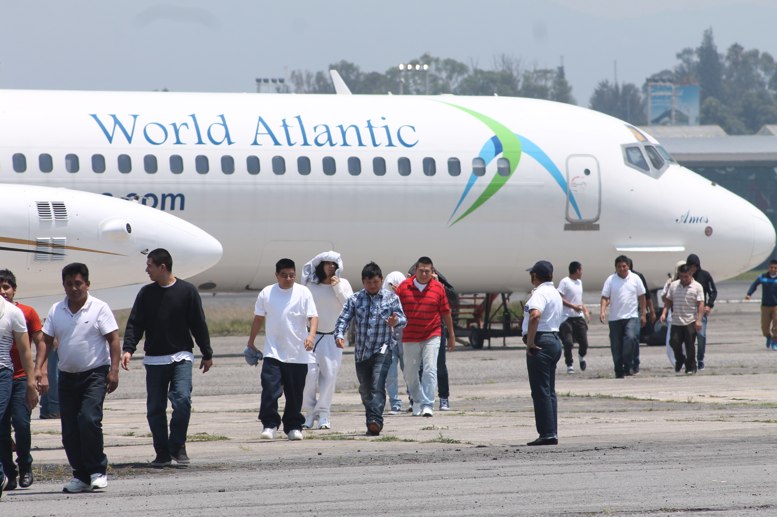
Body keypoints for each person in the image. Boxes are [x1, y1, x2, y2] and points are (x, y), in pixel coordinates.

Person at [121, 249, 213, 468]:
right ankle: (162, 453)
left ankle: (177, 446)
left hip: (181, 356)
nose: (146, 270)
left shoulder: (187, 291)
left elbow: (198, 324)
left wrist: (207, 353)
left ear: (163, 267)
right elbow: (135, 323)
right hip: (154, 360)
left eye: (149, 265)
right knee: (155, 408)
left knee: (182, 400)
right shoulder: (146, 293)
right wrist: (128, 349)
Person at [40, 263, 120, 493]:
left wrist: (114, 370)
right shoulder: (56, 310)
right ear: (63, 285)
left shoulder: (99, 308)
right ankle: (81, 476)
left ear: (87, 284)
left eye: (78, 283)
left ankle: (97, 471)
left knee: (88, 419)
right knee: (70, 429)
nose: (74, 288)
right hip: (67, 376)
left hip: (95, 373)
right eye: (69, 284)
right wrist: (41, 369)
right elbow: (45, 341)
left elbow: (113, 339)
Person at [247, 258, 318, 441]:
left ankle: (294, 426)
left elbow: (313, 317)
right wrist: (251, 342)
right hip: (273, 352)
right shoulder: (267, 293)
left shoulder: (303, 292)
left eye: (292, 275)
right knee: (270, 389)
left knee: (294, 394)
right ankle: (270, 425)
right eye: (284, 275)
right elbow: (258, 318)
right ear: (276, 275)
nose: (288, 278)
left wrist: (311, 336)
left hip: (298, 353)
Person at [334, 262, 406, 436]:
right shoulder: (355, 299)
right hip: (362, 353)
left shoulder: (391, 298)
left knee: (377, 384)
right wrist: (339, 334)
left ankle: (375, 420)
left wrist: (395, 322)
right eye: (368, 282)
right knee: (366, 389)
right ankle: (371, 420)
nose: (372, 285)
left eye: (375, 282)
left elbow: (403, 319)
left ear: (381, 280)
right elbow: (343, 318)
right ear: (363, 282)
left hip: (384, 348)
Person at [0, 270, 45, 490]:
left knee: (21, 423)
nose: (2, 291)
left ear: (14, 289)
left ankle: (25, 466)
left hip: (19, 378)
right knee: (1, 427)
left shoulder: (24, 313)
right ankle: (8, 473)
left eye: (6, 287)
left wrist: (38, 373)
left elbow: (38, 343)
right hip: (3, 379)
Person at [396, 256, 455, 417]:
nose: (423, 274)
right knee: (410, 372)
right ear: (415, 270)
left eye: (427, 271)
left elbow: (446, 313)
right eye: (421, 271)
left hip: (432, 335)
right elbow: (394, 308)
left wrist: (451, 335)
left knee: (430, 369)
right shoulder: (404, 287)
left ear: (432, 272)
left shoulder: (438, 288)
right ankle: (416, 400)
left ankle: (428, 404)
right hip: (410, 336)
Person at [300, 251, 353, 430]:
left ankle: (324, 413)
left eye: (334, 264)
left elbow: (350, 306)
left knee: (329, 377)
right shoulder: (309, 285)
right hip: (311, 337)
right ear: (320, 266)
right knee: (308, 376)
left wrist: (337, 288)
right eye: (327, 263)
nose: (331, 267)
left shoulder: (343, 284)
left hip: (333, 338)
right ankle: (309, 413)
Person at [522, 260, 563, 446]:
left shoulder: (540, 293)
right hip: (554, 339)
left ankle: (546, 433)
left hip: (541, 341)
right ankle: (551, 431)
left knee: (540, 391)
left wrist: (530, 341)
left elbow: (535, 315)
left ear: (534, 276)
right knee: (549, 391)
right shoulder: (554, 292)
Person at [600, 255, 646, 379]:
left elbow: (642, 296)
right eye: (619, 266)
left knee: (631, 338)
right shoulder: (611, 279)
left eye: (624, 266)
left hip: (631, 316)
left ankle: (628, 364)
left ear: (628, 266)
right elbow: (604, 297)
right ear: (615, 267)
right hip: (615, 318)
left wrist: (643, 314)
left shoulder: (635, 278)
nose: (622, 269)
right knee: (616, 345)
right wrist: (603, 311)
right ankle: (619, 370)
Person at [660, 264, 705, 374]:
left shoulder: (697, 287)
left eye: (686, 277)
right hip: (676, 320)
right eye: (681, 276)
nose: (683, 279)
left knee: (690, 344)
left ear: (691, 274)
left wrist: (699, 320)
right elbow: (668, 301)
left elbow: (700, 304)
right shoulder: (674, 285)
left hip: (690, 320)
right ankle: (680, 359)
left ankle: (691, 366)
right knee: (674, 342)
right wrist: (664, 313)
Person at [557, 261, 590, 374]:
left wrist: (585, 310)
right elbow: (559, 298)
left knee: (584, 343)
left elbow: (579, 299)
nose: (582, 272)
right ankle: (569, 364)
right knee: (568, 342)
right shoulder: (565, 282)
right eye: (581, 270)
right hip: (566, 318)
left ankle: (581, 357)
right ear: (577, 270)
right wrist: (572, 306)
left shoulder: (579, 282)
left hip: (578, 317)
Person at [686, 254, 717, 370]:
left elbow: (713, 291)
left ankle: (700, 359)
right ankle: (690, 360)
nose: (693, 268)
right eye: (691, 266)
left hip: (701, 312)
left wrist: (709, 305)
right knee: (688, 337)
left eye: (695, 266)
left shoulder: (705, 275)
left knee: (701, 336)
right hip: (687, 311)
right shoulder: (684, 276)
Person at [382, 271, 407, 415]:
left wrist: (402, 295)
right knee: (390, 374)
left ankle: (414, 400)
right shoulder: (383, 298)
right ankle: (395, 404)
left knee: (408, 371)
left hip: (405, 338)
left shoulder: (406, 296)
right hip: (389, 340)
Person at [627, 258, 655, 374]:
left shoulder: (637, 277)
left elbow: (646, 296)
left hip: (636, 311)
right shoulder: (616, 277)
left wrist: (651, 312)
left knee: (634, 338)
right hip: (622, 313)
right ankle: (627, 363)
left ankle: (635, 363)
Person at [745, 259, 777, 349]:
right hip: (765, 306)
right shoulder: (763, 277)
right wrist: (749, 294)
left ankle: (775, 341)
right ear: (769, 268)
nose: (773, 269)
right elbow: (754, 285)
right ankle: (768, 336)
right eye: (772, 267)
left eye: (775, 268)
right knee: (764, 326)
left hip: (776, 306)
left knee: (776, 324)